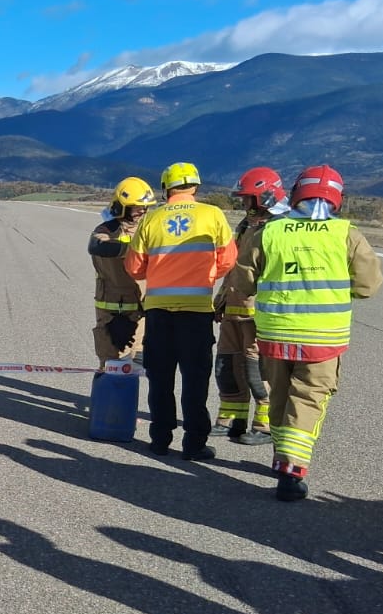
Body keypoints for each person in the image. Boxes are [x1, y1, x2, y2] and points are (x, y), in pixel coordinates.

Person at [229, 163, 383, 500]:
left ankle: (282, 459)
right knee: (308, 400)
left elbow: (242, 282)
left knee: (281, 397)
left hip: (274, 335)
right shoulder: (347, 234)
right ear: (336, 199)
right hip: (322, 339)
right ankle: (292, 468)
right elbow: (368, 286)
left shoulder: (269, 231)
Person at [123, 161, 237, 461]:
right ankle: (194, 444)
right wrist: (205, 274)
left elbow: (134, 268)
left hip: (159, 313)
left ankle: (160, 439)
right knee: (195, 380)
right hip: (197, 313)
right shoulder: (212, 214)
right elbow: (228, 260)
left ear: (165, 188)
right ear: (195, 187)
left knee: (160, 379)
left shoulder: (153, 218)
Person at [210, 167, 285, 446]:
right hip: (233, 306)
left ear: (264, 196)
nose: (243, 204)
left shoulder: (278, 227)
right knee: (227, 365)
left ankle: (264, 424)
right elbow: (233, 268)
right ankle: (232, 418)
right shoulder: (246, 225)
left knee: (256, 369)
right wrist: (221, 299)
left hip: (257, 312)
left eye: (248, 198)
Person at [87, 177, 154, 363]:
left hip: (139, 308)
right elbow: (97, 246)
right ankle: (104, 391)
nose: (143, 210)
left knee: (135, 363)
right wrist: (133, 250)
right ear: (122, 206)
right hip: (111, 310)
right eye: (136, 206)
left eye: (145, 207)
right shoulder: (106, 230)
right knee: (110, 362)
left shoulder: (147, 230)